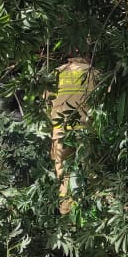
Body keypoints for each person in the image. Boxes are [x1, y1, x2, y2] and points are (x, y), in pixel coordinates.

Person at [50, 49, 96, 214]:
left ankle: (65, 211)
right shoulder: (94, 73)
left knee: (63, 174)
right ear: (87, 56)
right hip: (85, 131)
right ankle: (85, 211)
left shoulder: (56, 73)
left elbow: (46, 100)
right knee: (87, 172)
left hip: (60, 131)